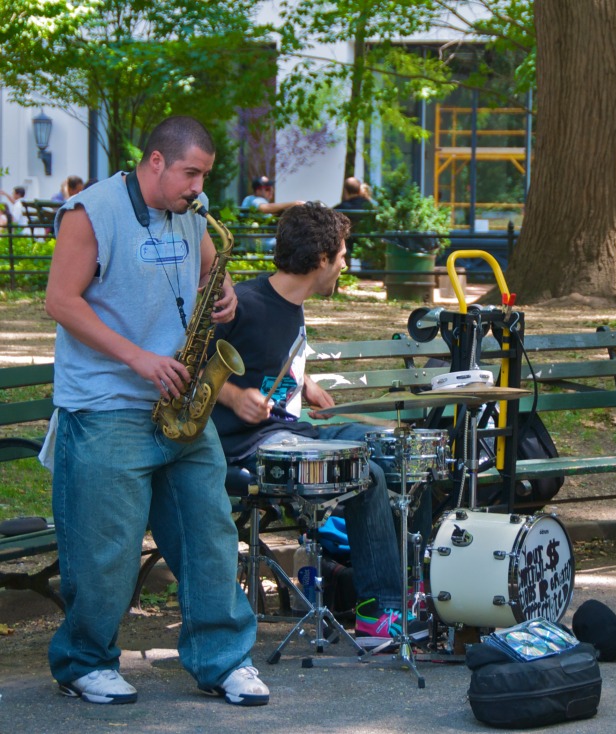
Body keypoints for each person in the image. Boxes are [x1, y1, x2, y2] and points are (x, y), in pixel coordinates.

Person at [43, 115, 269, 706]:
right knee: (107, 549)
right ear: (155, 162)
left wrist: (221, 293)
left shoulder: (192, 218)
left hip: (182, 406)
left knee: (211, 535)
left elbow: (209, 267)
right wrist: (139, 359)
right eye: (190, 173)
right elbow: (60, 301)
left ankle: (223, 659)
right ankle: (84, 661)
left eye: (205, 175)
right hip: (106, 405)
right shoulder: (90, 213)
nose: (198, 187)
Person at [210, 202, 425, 639]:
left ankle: (414, 590)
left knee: (401, 450)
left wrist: (303, 384)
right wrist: (234, 397)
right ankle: (377, 610)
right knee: (367, 474)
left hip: (288, 432)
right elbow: (189, 370)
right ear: (322, 259)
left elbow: (269, 361)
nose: (345, 264)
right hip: (247, 446)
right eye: (342, 255)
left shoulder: (292, 306)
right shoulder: (244, 304)